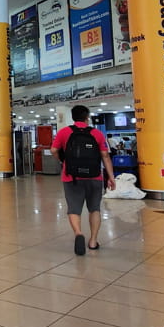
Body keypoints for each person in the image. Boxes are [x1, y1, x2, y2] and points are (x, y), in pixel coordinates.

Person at [50, 105, 116, 256]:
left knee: (74, 209)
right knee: (94, 209)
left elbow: (53, 150)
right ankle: (93, 241)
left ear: (73, 117)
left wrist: (63, 160)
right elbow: (105, 156)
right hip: (94, 177)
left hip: (71, 176)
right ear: (88, 117)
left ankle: (78, 233)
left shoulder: (64, 132)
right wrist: (111, 178)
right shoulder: (97, 133)